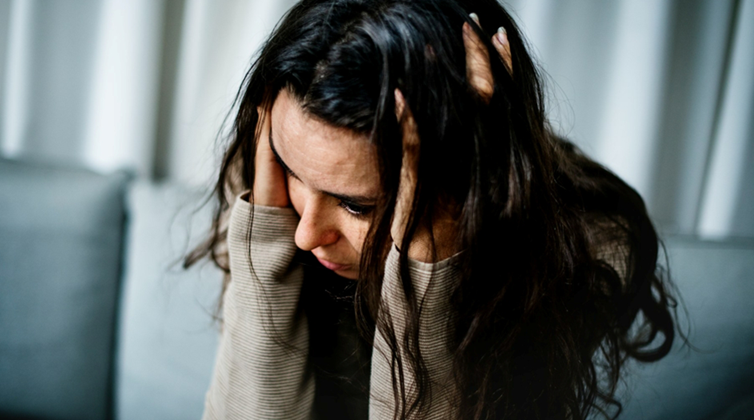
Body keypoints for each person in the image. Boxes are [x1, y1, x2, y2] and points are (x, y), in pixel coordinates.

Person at [186, 0, 683, 418]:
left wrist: (431, 258)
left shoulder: (588, 245)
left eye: (357, 206)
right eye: (294, 171)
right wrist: (262, 259)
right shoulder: (271, 198)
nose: (305, 234)